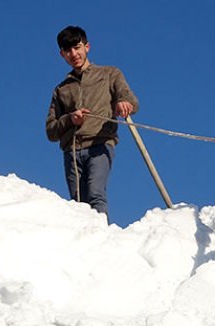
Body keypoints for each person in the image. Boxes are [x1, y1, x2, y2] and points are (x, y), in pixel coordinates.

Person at [46, 26, 139, 221]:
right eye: (68, 50)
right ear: (62, 54)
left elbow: (131, 101)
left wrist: (124, 103)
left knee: (95, 194)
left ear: (87, 46)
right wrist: (70, 119)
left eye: (77, 47)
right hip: (71, 152)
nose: (74, 54)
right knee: (77, 204)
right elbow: (51, 131)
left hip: (100, 144)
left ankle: (101, 240)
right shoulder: (61, 89)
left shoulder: (109, 74)